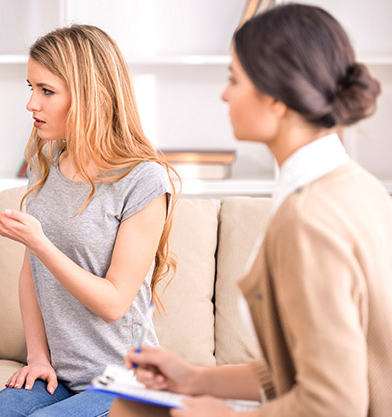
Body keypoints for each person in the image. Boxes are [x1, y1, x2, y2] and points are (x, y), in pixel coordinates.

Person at [110, 4, 392, 417]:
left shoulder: (308, 220)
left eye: (234, 79)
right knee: (133, 406)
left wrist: (226, 416)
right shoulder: (360, 186)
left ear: (276, 98)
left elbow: (334, 403)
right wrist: (195, 378)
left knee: (130, 410)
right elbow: (306, 368)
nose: (224, 94)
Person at [0, 24, 178, 416]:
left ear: (90, 96)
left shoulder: (143, 179)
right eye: (31, 88)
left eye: (46, 91)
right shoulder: (44, 163)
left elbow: (114, 303)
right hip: (62, 378)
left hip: (129, 381)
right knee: (1, 412)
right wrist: (37, 357)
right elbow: (32, 273)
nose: (31, 104)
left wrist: (39, 243)